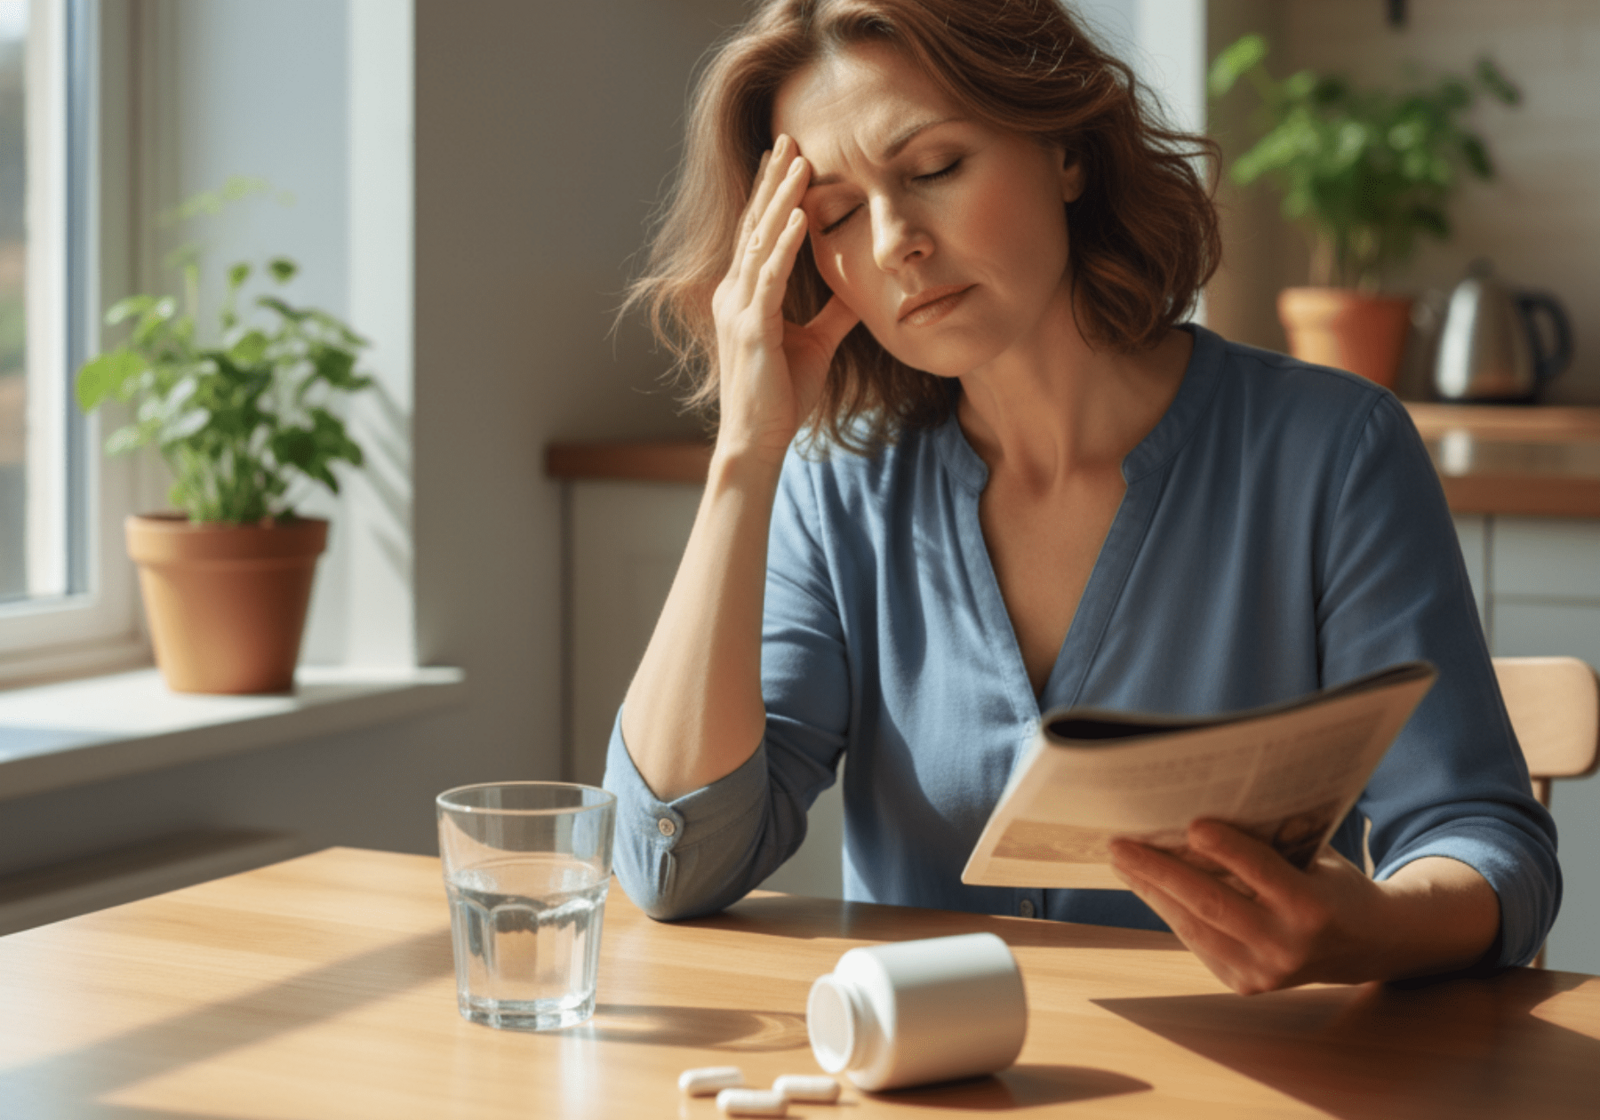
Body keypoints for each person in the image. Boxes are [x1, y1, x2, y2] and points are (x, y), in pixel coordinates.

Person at [603, 0, 1559, 995]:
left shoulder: (1333, 451)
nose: (893, 242)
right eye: (836, 213)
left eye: (932, 169)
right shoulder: (837, 485)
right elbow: (673, 863)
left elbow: (1483, 841)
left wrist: (1367, 927)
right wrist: (744, 456)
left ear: (1065, 150)